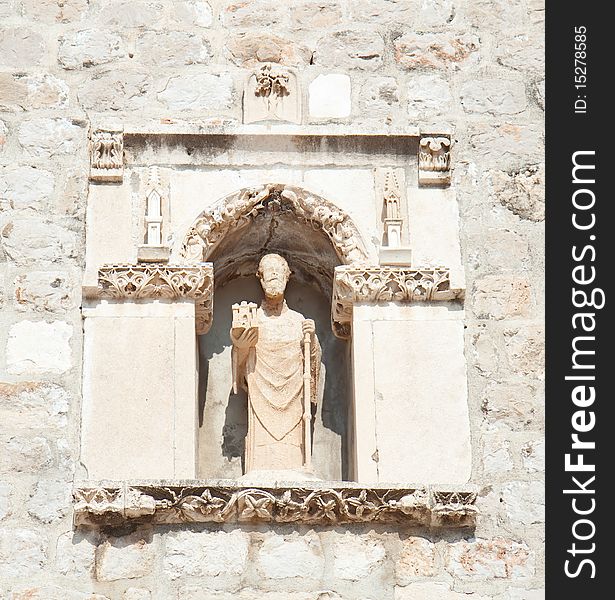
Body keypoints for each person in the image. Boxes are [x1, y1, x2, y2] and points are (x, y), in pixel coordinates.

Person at [231, 253, 320, 474]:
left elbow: (311, 364)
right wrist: (241, 346)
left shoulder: (299, 321)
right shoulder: (253, 319)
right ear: (260, 279)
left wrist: (313, 339)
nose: (273, 275)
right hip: (260, 398)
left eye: (278, 272)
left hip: (294, 404)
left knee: (292, 458)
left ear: (287, 278)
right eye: (268, 272)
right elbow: (240, 374)